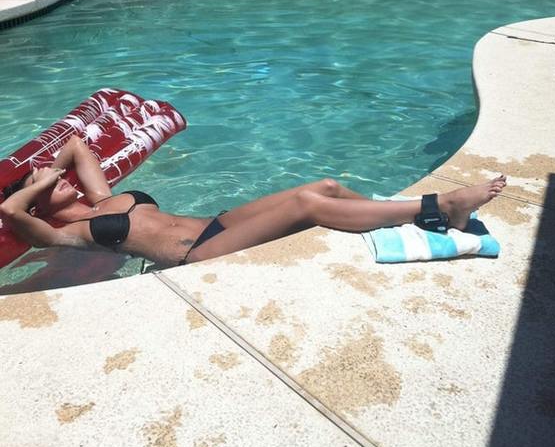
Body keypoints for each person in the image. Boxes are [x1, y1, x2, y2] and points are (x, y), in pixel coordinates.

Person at [0, 135, 507, 267]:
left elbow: (76, 146)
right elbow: (9, 212)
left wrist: (42, 171)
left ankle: (391, 223)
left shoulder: (103, 199)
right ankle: (439, 207)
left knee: (327, 187)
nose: (58, 177)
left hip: (217, 224)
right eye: (48, 183)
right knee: (307, 204)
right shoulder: (64, 233)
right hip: (196, 255)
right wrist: (35, 188)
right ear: (38, 202)